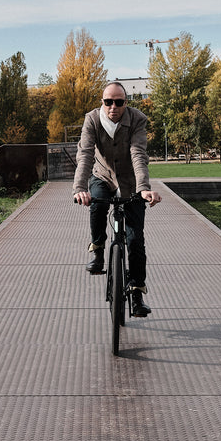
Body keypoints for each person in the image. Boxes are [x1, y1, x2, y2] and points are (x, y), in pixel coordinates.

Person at [73, 81, 161, 317]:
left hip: (131, 182)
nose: (113, 106)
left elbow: (138, 153)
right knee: (97, 205)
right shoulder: (92, 119)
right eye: (108, 101)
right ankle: (99, 250)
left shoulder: (137, 119)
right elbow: (85, 154)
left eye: (119, 102)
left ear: (125, 102)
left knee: (135, 240)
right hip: (102, 176)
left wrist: (143, 188)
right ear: (102, 101)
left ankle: (136, 295)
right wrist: (80, 188)